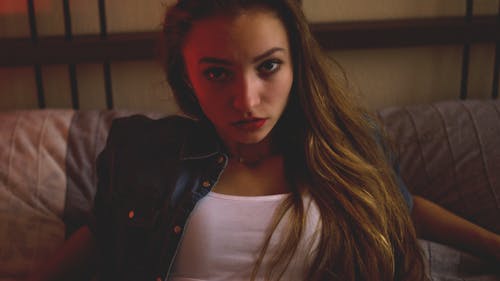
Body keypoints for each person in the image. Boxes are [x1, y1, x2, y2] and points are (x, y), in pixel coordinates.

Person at [26, 0, 500, 281]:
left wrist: (492, 244)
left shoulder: (344, 148)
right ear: (187, 78)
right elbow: (98, 236)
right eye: (217, 73)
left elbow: (401, 206)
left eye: (268, 66)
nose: (246, 100)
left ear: (296, 64)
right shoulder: (144, 151)